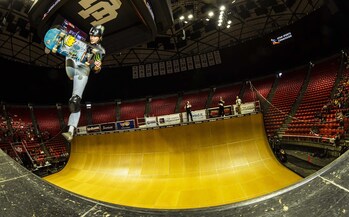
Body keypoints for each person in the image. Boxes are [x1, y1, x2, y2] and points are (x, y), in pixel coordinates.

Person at [61, 25, 106, 142]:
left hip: (82, 72)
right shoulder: (84, 44)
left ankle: (70, 131)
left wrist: (97, 67)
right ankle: (61, 42)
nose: (92, 38)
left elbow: (96, 68)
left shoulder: (99, 51)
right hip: (73, 66)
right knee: (76, 44)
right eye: (91, 35)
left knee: (74, 101)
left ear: (100, 38)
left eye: (95, 36)